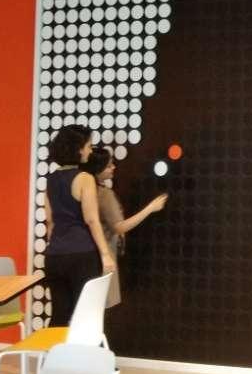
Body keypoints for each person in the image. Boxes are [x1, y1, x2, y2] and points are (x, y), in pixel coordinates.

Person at [44, 125, 117, 326]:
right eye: (88, 146)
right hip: (82, 254)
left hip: (54, 256)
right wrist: (105, 254)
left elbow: (50, 220)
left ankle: (55, 347)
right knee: (85, 316)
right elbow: (91, 219)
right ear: (77, 148)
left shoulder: (51, 179)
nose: (90, 151)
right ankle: (83, 349)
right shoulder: (85, 178)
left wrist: (56, 244)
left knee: (59, 316)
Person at [82, 146, 168, 307]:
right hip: (104, 257)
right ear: (98, 169)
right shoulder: (104, 194)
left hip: (86, 257)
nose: (113, 167)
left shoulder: (83, 191)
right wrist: (150, 208)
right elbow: (119, 227)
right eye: (108, 165)